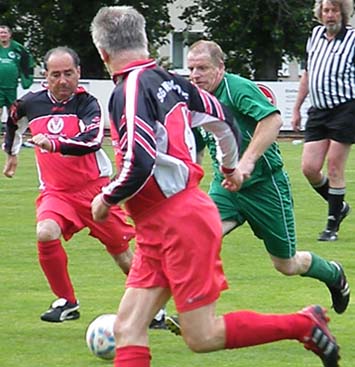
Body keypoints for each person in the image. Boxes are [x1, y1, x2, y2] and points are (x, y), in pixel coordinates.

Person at [90, 6, 340, 367]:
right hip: (162, 224)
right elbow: (222, 121)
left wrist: (106, 198)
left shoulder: (128, 90)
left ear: (103, 53)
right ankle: (304, 323)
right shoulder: (172, 81)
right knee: (128, 327)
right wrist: (230, 166)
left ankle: (303, 323)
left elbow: (139, 161)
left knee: (202, 335)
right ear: (144, 42)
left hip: (178, 222)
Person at [165, 39, 350, 336]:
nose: (195, 75)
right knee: (199, 237)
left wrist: (247, 163)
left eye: (203, 68)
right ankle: (195, 312)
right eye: (191, 69)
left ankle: (333, 273)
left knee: (286, 264)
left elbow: (272, 121)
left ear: (221, 68)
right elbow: (196, 143)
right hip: (226, 189)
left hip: (266, 187)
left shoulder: (237, 88)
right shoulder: (195, 98)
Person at [2, 46, 137, 323]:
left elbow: (92, 141)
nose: (62, 81)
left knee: (122, 254)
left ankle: (153, 307)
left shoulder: (88, 104)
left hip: (95, 191)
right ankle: (67, 301)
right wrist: (12, 154)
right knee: (45, 232)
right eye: (55, 75)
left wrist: (54, 144)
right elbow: (13, 122)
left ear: (79, 73)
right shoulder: (30, 103)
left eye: (68, 73)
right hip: (56, 192)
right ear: (45, 76)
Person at [291, 0, 354, 241]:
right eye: (326, 10)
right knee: (309, 168)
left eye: (334, 10)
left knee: (335, 166)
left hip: (346, 108)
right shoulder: (315, 35)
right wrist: (296, 108)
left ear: (343, 13)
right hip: (318, 110)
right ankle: (339, 206)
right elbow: (307, 74)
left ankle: (331, 227)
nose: (330, 15)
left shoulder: (353, 39)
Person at [0, 25, 34, 130]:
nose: (2, 35)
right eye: (0, 33)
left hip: (11, 86)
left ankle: (10, 134)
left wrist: (27, 79)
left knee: (12, 112)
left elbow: (27, 60)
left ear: (10, 35)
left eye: (5, 32)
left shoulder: (17, 48)